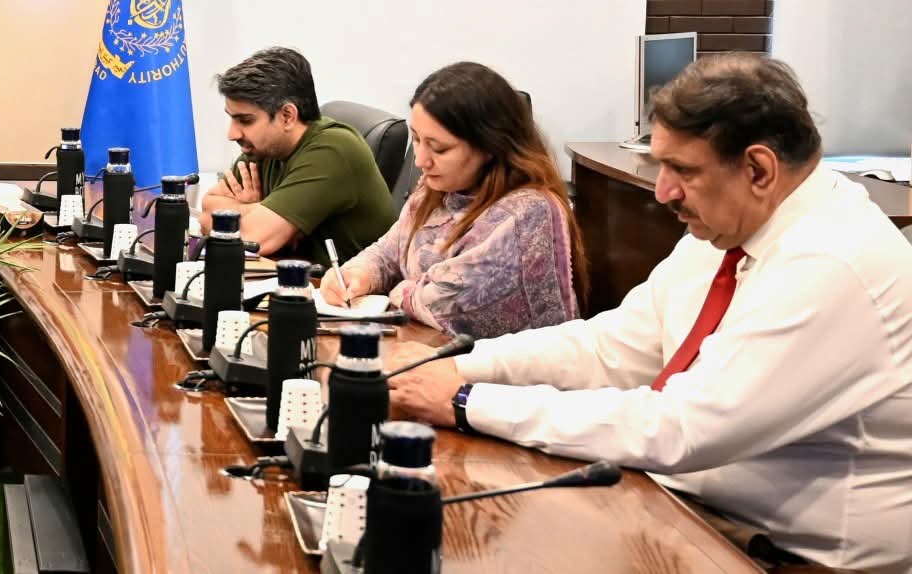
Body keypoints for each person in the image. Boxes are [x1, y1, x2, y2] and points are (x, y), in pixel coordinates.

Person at [387, 54, 912, 570]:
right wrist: (460, 367)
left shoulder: (832, 262)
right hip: (693, 506)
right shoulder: (730, 229)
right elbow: (609, 347)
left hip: (788, 554)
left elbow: (681, 427)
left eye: (682, 169)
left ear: (758, 169)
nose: (663, 192)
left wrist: (466, 402)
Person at [322, 62, 584, 338]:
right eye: (417, 140)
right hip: (427, 347)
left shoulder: (528, 213)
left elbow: (447, 304)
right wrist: (358, 274)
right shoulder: (436, 187)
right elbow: (389, 251)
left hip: (496, 365)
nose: (421, 160)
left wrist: (400, 290)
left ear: (490, 146)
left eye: (439, 148)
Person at [200, 47, 396, 263]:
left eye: (245, 120)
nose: (232, 134)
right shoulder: (263, 148)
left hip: (341, 282)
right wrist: (255, 210)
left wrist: (248, 215)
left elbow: (251, 238)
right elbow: (208, 209)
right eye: (231, 118)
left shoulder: (332, 150)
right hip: (291, 273)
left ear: (287, 116)